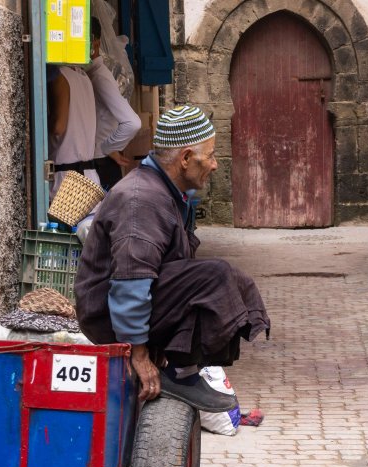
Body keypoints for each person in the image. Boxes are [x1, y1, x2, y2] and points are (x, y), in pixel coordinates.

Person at [74, 106, 270, 411]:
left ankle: (181, 369)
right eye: (211, 156)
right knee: (213, 276)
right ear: (186, 158)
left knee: (227, 277)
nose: (215, 165)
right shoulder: (142, 200)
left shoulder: (166, 193)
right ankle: (181, 373)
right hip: (107, 315)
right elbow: (131, 283)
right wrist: (137, 353)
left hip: (123, 307)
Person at [87, 16, 141, 190]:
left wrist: (106, 148)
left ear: (95, 42)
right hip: (98, 161)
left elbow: (132, 123)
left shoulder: (100, 77)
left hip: (101, 164)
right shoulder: (90, 75)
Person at [48, 60, 99, 196]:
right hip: (89, 176)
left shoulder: (60, 77)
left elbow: (58, 126)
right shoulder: (84, 77)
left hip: (67, 180)